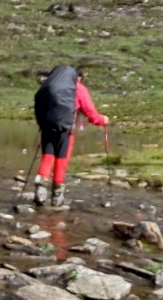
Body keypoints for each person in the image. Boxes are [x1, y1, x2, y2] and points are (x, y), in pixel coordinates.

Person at [32, 65, 109, 207]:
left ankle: (40, 190)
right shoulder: (78, 89)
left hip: (47, 125)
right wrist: (102, 120)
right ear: (79, 78)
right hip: (66, 130)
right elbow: (91, 113)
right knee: (61, 159)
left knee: (47, 156)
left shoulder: (50, 84)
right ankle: (56, 196)